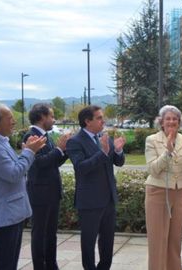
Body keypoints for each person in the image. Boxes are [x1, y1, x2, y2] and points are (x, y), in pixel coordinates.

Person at [0, 102, 46, 270]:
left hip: (11, 212)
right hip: (4, 214)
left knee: (9, 261)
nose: (13, 122)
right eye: (9, 118)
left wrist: (26, 152)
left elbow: (12, 168)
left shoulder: (0, 141)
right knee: (3, 263)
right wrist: (29, 152)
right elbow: (13, 174)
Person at [66, 105, 126, 270]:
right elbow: (81, 168)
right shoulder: (75, 142)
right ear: (87, 121)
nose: (103, 120)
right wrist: (103, 152)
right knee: (88, 242)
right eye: (99, 118)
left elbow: (118, 162)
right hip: (89, 201)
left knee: (108, 241)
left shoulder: (104, 137)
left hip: (109, 199)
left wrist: (119, 151)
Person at [145, 105, 182, 270]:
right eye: (168, 119)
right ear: (161, 122)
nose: (171, 121)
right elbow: (153, 170)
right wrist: (167, 153)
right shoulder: (152, 140)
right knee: (158, 240)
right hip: (158, 193)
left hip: (180, 193)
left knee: (175, 240)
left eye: (175, 119)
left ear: (179, 122)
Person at [24, 103, 71, 270]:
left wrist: (64, 150)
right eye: (51, 116)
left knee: (51, 234)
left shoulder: (45, 135)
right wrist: (59, 148)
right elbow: (40, 163)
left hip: (51, 192)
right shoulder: (31, 136)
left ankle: (51, 265)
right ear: (42, 117)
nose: (53, 119)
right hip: (40, 194)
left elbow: (53, 163)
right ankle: (40, 266)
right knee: (40, 234)